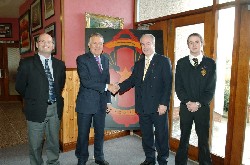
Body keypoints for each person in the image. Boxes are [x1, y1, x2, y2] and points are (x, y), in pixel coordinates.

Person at [116, 34, 172, 165]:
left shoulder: (163, 61)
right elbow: (131, 80)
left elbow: (167, 84)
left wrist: (164, 103)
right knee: (146, 135)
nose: (145, 47)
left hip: (159, 107)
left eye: (148, 43)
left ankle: (163, 160)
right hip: (143, 106)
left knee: (161, 136)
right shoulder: (139, 63)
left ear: (153, 44)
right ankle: (150, 159)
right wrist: (118, 87)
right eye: (142, 44)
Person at [15, 33, 66, 165]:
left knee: (54, 141)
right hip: (35, 108)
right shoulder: (26, 63)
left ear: (53, 46)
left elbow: (60, 84)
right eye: (42, 41)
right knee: (35, 143)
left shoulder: (60, 65)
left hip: (55, 108)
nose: (46, 44)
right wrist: (33, 98)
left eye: (49, 42)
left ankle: (53, 162)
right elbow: (20, 86)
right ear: (37, 45)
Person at [175, 33, 216, 165]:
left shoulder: (210, 63)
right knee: (184, 139)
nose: (194, 45)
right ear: (188, 45)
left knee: (203, 141)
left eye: (197, 42)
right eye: (191, 42)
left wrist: (198, 103)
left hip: (202, 108)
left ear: (201, 44)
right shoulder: (181, 63)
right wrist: (187, 102)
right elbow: (178, 87)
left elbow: (210, 89)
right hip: (186, 107)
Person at [75, 33, 114, 165]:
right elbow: (86, 82)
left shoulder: (105, 59)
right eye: (95, 43)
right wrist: (107, 86)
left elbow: (107, 80)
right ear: (89, 45)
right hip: (86, 102)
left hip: (101, 103)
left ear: (103, 46)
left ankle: (99, 157)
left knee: (100, 133)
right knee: (83, 134)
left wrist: (108, 101)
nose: (98, 46)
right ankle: (82, 158)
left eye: (100, 43)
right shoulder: (82, 59)